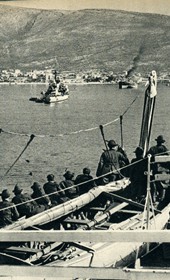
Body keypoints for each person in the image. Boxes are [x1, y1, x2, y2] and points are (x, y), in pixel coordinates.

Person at [147, 135, 169, 203]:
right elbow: (167, 157)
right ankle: (161, 197)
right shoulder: (164, 149)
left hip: (154, 168)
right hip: (162, 168)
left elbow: (147, 157)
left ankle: (154, 198)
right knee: (162, 183)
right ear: (162, 142)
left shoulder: (152, 149)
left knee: (154, 182)